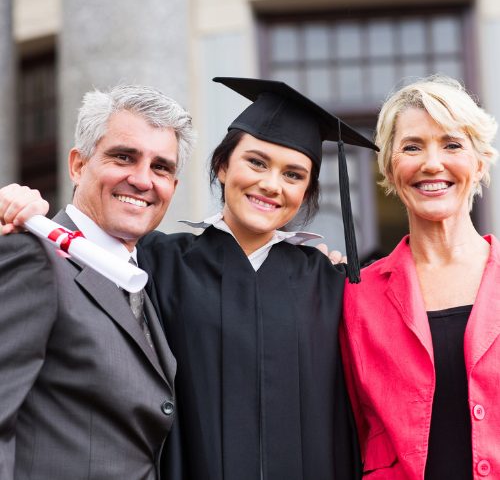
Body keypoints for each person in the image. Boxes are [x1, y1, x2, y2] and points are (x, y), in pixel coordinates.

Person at [1, 77, 378, 480]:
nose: (270, 184)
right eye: (255, 161)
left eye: (294, 174)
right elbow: (87, 233)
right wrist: (23, 212)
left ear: (307, 190)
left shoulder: (332, 283)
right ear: (221, 165)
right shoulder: (155, 261)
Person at [0, 84, 196, 480]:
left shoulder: (145, 280)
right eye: (124, 157)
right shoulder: (31, 255)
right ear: (77, 165)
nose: (143, 180)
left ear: (173, 187)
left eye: (162, 167)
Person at [339, 75, 499, 479]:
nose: (432, 163)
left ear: (479, 164)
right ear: (390, 170)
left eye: (451, 144)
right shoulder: (355, 296)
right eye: (412, 146)